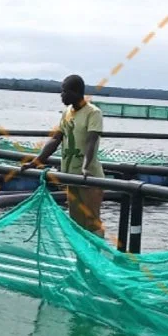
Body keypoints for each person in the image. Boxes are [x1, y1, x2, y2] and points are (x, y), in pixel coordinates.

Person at [30, 74, 107, 239]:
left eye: (64, 91)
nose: (61, 95)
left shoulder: (93, 113)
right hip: (71, 177)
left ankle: (95, 259)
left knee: (92, 223)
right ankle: (81, 261)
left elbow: (91, 142)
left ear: (76, 92)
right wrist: (36, 161)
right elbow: (56, 139)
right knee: (76, 222)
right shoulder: (66, 113)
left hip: (89, 178)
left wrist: (85, 167)